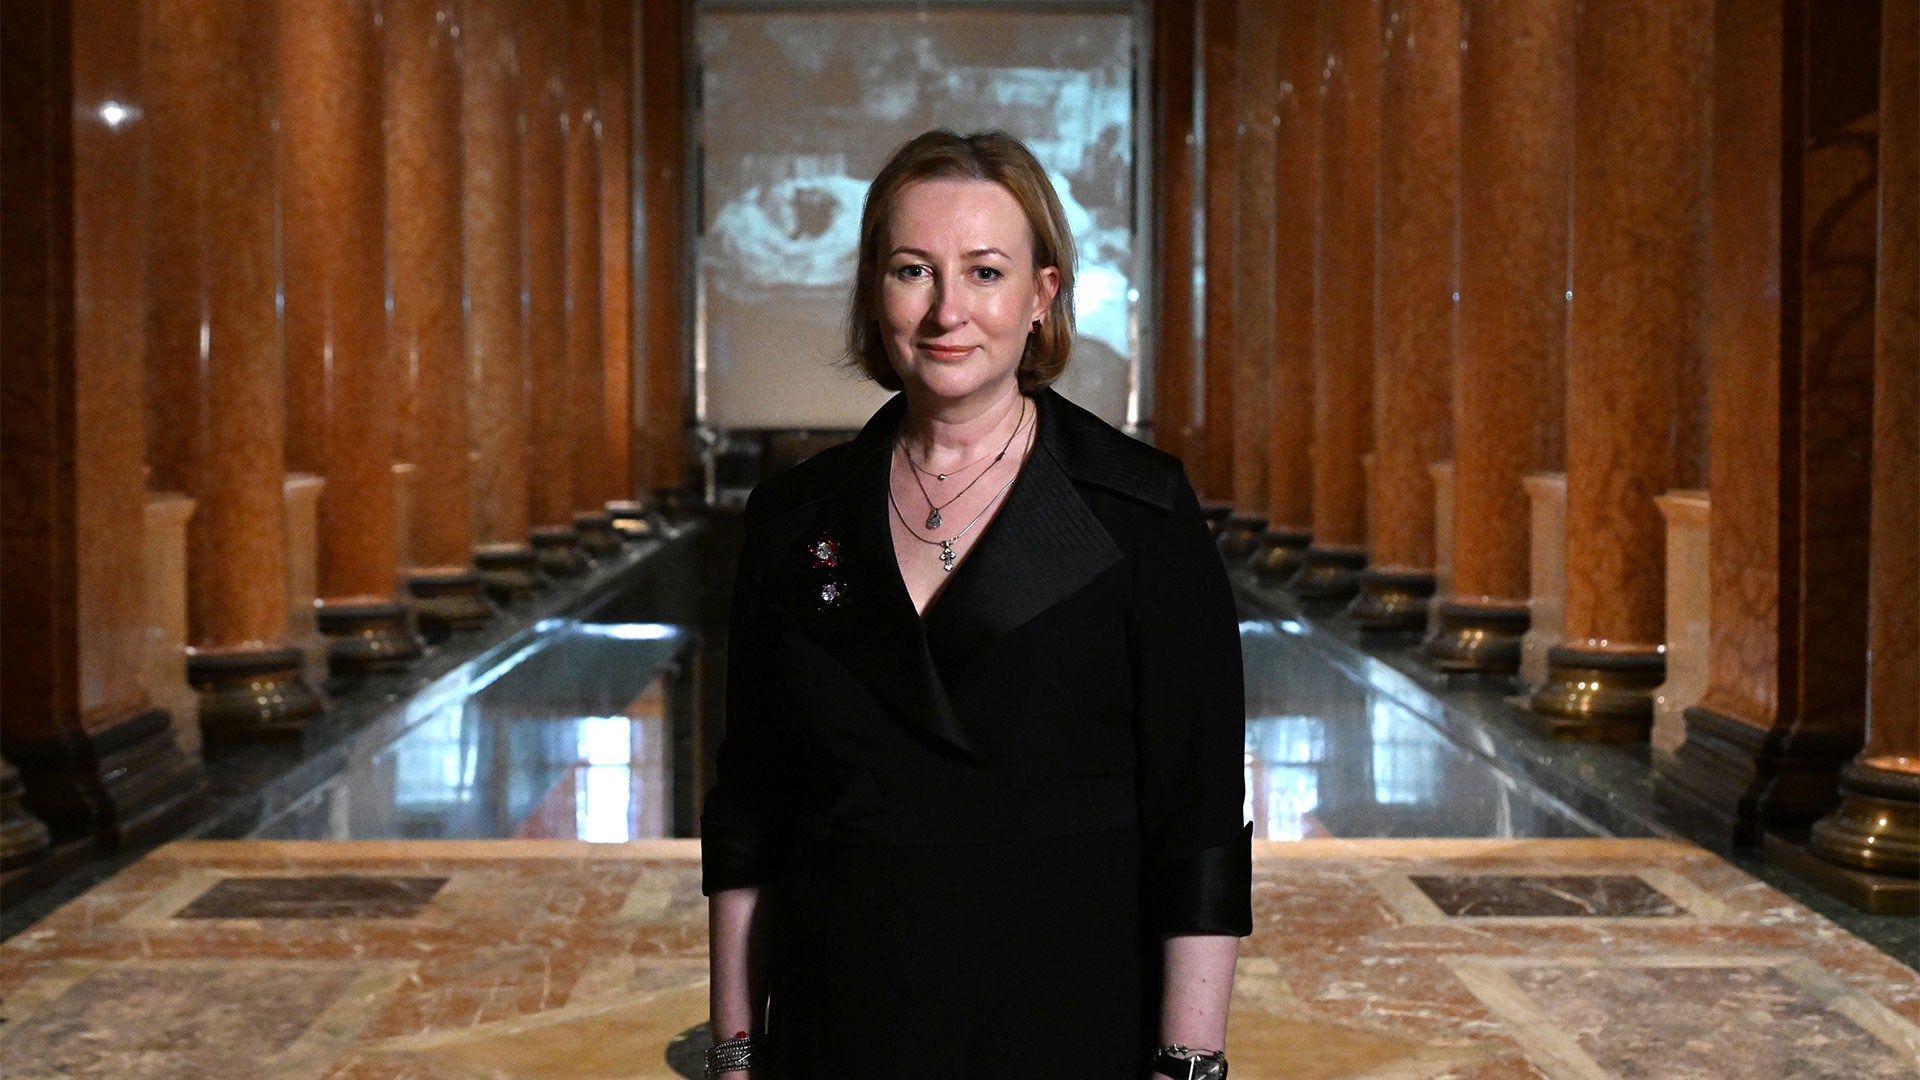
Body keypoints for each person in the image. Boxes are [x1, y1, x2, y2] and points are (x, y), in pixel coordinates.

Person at [701, 129, 1251, 1080]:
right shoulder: (792, 520)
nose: (947, 310)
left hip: (1065, 1026)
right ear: (874, 290)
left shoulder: (1143, 514)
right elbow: (748, 811)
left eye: (985, 272)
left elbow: (1198, 821)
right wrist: (736, 1049)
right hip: (841, 1028)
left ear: (1042, 295)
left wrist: (1187, 1063)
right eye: (914, 270)